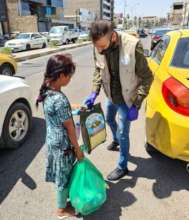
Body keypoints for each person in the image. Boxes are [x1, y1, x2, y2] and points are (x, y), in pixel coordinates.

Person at [85, 20, 153, 181]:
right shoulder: (98, 47)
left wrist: (137, 103)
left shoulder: (132, 46)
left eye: (102, 46)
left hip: (127, 98)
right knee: (109, 119)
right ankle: (116, 140)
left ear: (113, 37)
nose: (99, 50)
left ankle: (122, 166)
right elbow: (98, 69)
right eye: (97, 47)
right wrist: (94, 92)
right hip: (111, 95)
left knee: (124, 132)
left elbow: (147, 77)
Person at [36, 54, 84, 219]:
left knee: (61, 174)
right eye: (69, 75)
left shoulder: (48, 90)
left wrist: (75, 109)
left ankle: (64, 202)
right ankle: (61, 210)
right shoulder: (60, 99)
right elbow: (70, 128)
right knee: (63, 178)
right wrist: (77, 149)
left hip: (52, 141)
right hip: (63, 146)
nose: (70, 78)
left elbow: (58, 114)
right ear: (62, 75)